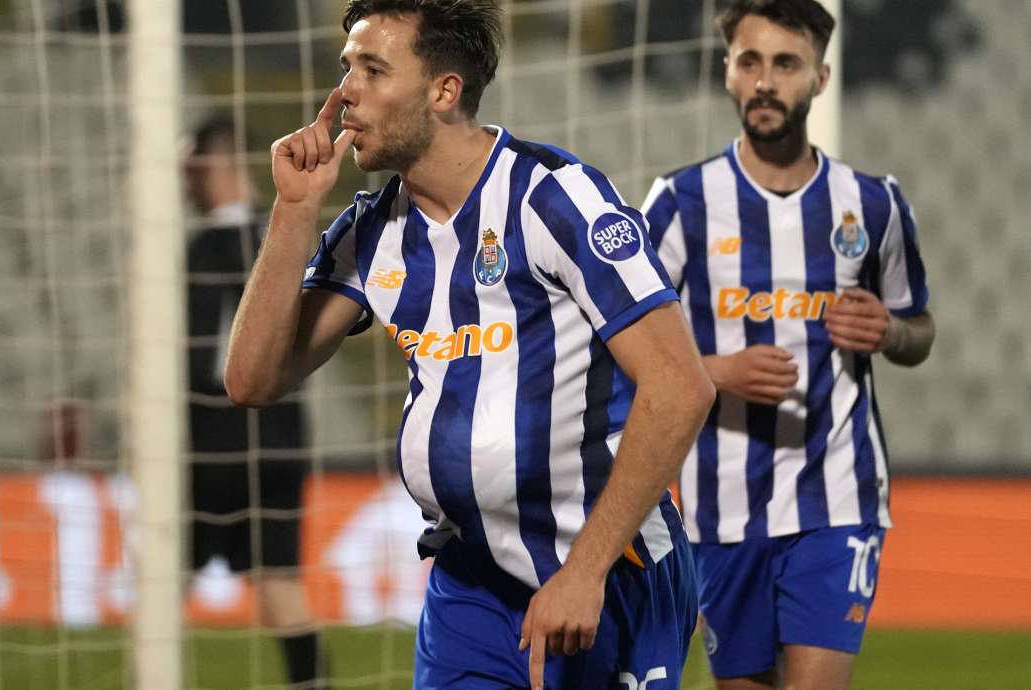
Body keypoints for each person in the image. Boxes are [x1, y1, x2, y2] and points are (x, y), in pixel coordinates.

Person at [224, 1, 716, 688]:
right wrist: (294, 211)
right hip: (471, 584)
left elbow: (680, 387)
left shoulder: (554, 199)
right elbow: (251, 381)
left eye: (372, 70)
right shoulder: (372, 231)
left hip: (610, 572)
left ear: (444, 91)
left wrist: (584, 572)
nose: (344, 95)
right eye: (346, 69)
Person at [639, 1, 935, 688]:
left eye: (785, 64)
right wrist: (715, 371)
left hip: (839, 501)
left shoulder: (873, 205)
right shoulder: (680, 203)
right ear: (728, 74)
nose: (766, 81)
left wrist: (890, 331)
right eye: (750, 62)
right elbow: (617, 347)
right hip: (721, 509)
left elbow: (919, 328)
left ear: (820, 78)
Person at [183, 116, 325, 689]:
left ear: (211, 167)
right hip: (283, 434)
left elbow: (202, 358)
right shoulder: (285, 237)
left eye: (186, 173)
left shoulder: (207, 246)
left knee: (166, 577)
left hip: (213, 438)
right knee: (281, 584)